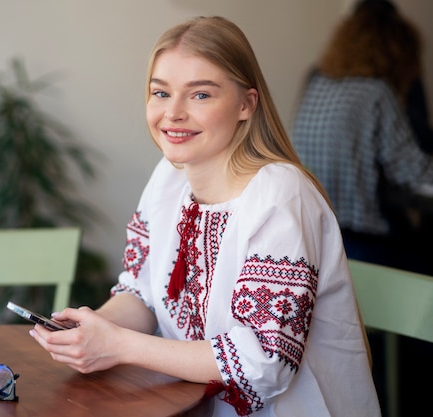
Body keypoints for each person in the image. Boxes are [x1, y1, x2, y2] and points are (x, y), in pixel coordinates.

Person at [30, 16, 381, 416]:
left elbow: (265, 364)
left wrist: (119, 346)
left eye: (200, 95)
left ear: (246, 105)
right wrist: (90, 330)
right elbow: (143, 294)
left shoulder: (279, 194)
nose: (173, 113)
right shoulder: (169, 178)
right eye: (160, 93)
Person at [291, 0, 433, 272]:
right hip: (357, 236)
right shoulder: (377, 92)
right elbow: (409, 169)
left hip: (313, 228)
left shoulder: (317, 80)